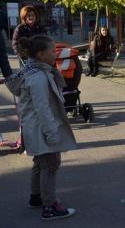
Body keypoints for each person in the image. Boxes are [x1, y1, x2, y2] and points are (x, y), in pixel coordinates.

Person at [5, 35, 77, 221]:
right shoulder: (38, 77)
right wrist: (52, 133)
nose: (56, 54)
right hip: (41, 128)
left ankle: (36, 197)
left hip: (34, 128)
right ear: (41, 54)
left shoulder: (30, 71)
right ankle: (50, 206)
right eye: (52, 51)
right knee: (51, 165)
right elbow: (43, 108)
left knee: (40, 163)